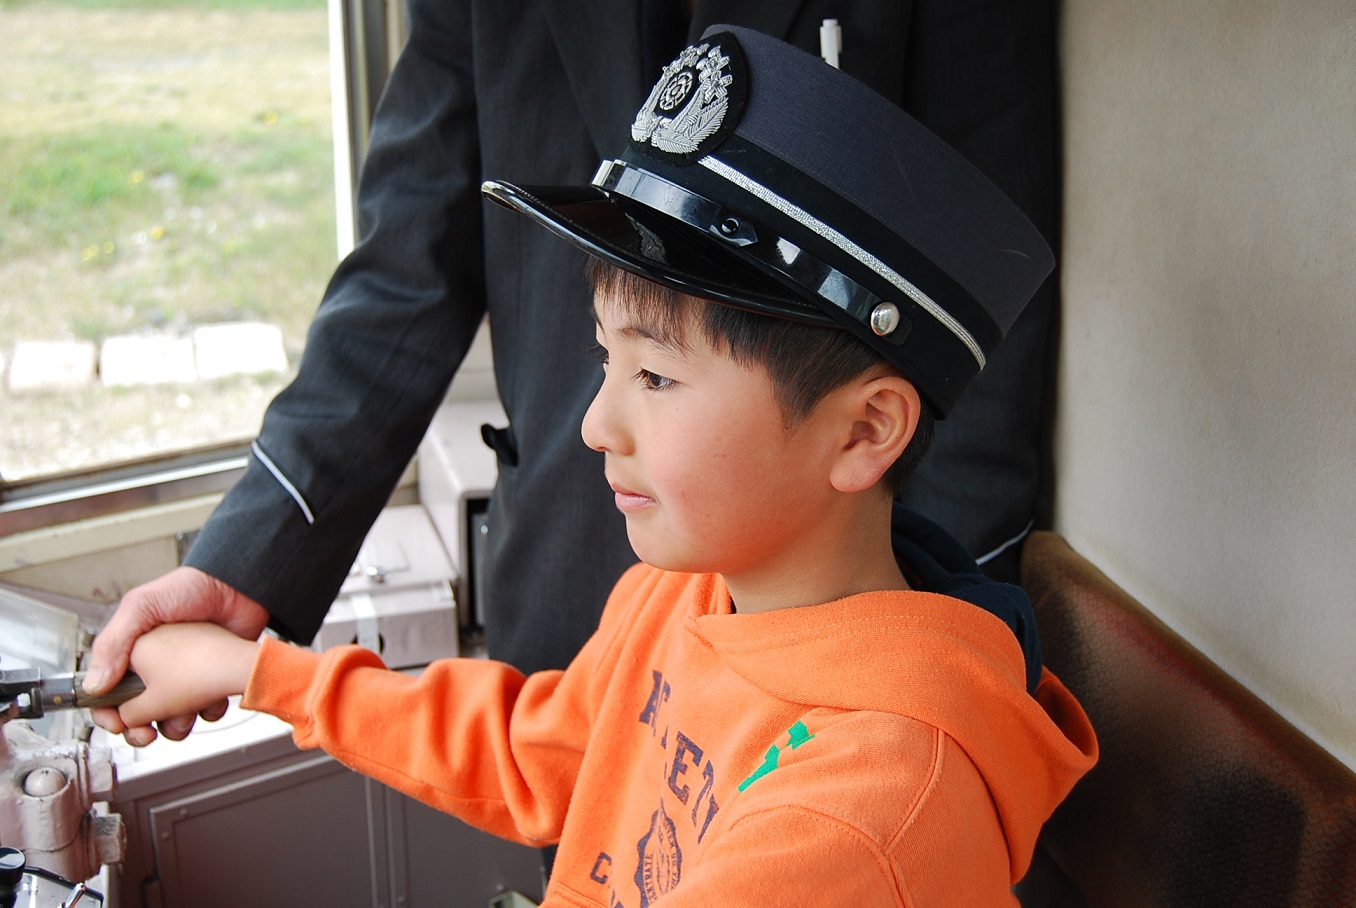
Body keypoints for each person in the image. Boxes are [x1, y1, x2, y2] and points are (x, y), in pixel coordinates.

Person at [95, 27, 1095, 905]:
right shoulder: (687, 593)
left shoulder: (859, 819)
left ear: (863, 430)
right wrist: (259, 669)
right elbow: (550, 746)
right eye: (603, 358)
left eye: (655, 375)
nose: (593, 425)